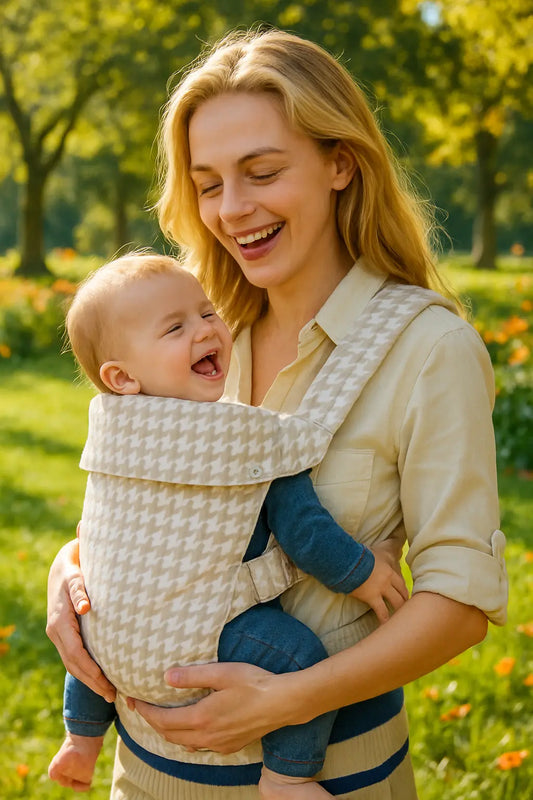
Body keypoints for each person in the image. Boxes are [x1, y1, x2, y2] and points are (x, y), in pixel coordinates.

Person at [46, 27, 508, 799]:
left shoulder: (428, 348)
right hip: (142, 776)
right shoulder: (188, 334)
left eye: (261, 172)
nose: (232, 210)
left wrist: (292, 699)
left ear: (339, 163)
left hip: (328, 779)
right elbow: (149, 511)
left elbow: (460, 602)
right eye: (207, 183)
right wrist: (72, 573)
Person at [48, 252, 408, 798]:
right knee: (300, 660)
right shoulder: (241, 441)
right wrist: (364, 573)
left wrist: (69, 561)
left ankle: (80, 740)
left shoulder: (113, 434)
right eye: (176, 327)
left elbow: (103, 527)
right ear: (121, 377)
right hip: (203, 642)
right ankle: (288, 776)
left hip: (112, 643)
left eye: (206, 312)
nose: (206, 329)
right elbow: (305, 531)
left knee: (95, 640)